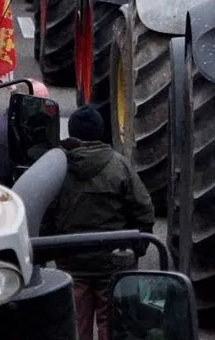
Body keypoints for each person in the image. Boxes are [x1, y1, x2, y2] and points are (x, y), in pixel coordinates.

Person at [45, 105, 154, 340]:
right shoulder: (120, 165)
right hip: (113, 263)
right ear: (101, 132)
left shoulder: (56, 167)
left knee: (75, 325)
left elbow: (45, 212)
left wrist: (50, 249)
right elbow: (143, 210)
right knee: (112, 324)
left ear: (71, 132)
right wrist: (136, 249)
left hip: (71, 263)